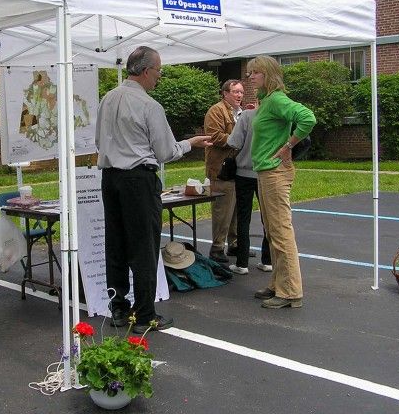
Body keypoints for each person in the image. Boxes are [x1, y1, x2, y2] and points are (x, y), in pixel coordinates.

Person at [95, 46, 211, 333]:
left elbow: (99, 140)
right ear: (146, 71)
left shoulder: (107, 99)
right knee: (144, 247)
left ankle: (119, 308)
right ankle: (145, 313)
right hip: (138, 179)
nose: (159, 77)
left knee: (116, 244)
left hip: (110, 178)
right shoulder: (150, 105)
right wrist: (190, 143)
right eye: (158, 71)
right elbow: (165, 151)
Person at [247, 55, 316, 309]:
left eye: (256, 72)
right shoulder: (267, 100)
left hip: (275, 173)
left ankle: (290, 292)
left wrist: (289, 145)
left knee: (281, 232)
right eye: (250, 73)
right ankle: (278, 283)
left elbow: (308, 118)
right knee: (272, 231)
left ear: (268, 74)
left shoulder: (277, 99)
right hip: (267, 172)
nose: (251, 76)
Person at [226, 106, 272, 275]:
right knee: (267, 217)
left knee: (243, 217)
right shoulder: (276, 115)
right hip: (266, 172)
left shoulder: (247, 115)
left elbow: (233, 142)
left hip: (244, 172)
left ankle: (242, 263)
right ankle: (267, 260)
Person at [204, 79, 243, 263]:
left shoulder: (241, 112)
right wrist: (239, 139)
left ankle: (234, 244)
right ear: (225, 93)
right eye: (235, 92)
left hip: (237, 168)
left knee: (235, 209)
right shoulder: (216, 111)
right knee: (222, 210)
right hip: (220, 169)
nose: (239, 95)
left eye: (241, 92)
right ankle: (217, 248)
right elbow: (215, 136)